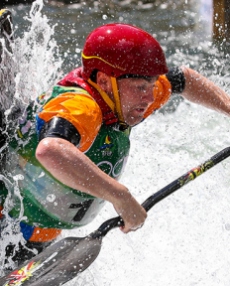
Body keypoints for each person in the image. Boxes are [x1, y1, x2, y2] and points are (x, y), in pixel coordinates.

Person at [1, 14, 230, 268]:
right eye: (141, 87)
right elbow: (50, 149)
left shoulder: (130, 93)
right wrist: (120, 197)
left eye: (152, 85)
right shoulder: (82, 108)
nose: (149, 97)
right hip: (8, 221)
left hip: (40, 225)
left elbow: (183, 79)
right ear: (103, 82)